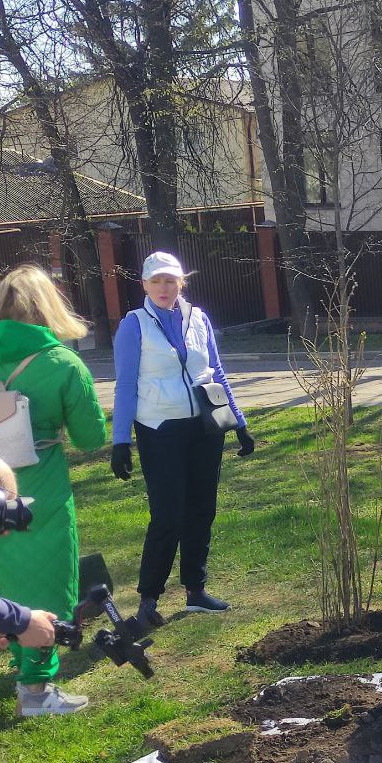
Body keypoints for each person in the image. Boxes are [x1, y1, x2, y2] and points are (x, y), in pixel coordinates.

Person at [111, 252, 255, 628]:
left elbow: (216, 371)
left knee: (201, 509)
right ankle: (148, 599)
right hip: (159, 429)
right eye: (156, 281)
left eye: (170, 281)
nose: (164, 288)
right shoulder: (134, 326)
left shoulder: (198, 318)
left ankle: (196, 590)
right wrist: (120, 440)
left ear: (181, 283)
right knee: (167, 515)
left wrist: (238, 422)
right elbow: (125, 384)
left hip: (204, 427)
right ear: (144, 284)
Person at [0, 268, 106, 715]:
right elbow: (91, 436)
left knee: (2, 580)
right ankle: (36, 691)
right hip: (41, 492)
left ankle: (17, 655)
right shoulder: (61, 363)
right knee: (47, 583)